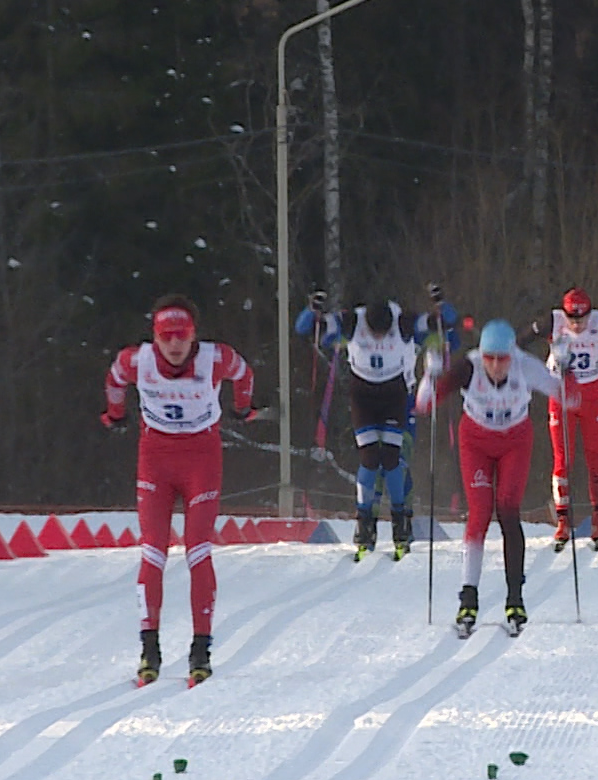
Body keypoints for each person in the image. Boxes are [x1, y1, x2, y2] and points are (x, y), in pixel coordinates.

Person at [101, 295, 259, 688]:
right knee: (152, 551)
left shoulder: (215, 359)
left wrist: (243, 407)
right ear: (154, 337)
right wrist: (115, 414)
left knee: (197, 550)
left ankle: (200, 649)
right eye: (166, 337)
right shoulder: (135, 361)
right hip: (155, 458)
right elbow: (114, 382)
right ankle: (149, 648)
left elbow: (245, 375)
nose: (174, 345)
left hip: (201, 459)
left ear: (194, 337)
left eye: (182, 336)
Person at [416, 318, 572, 638]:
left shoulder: (524, 367)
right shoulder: (468, 369)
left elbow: (569, 398)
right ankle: (468, 599)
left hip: (515, 441)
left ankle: (515, 599)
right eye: (491, 358)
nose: (497, 366)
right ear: (482, 354)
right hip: (476, 443)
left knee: (508, 510)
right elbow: (424, 404)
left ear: (512, 355)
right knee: (480, 514)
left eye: (503, 359)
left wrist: (562, 367)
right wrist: (429, 376)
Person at [295, 283, 456, 559]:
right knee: (369, 460)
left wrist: (440, 307)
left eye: (384, 333)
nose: (379, 337)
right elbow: (306, 329)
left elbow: (445, 325)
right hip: (364, 396)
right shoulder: (352, 320)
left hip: (394, 394)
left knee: (392, 460)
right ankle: (364, 523)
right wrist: (313, 311)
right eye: (374, 333)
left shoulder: (403, 322)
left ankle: (400, 522)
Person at [521, 287, 598, 550]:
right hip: (561, 394)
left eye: (582, 319)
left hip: (591, 394)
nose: (577, 325)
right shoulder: (551, 322)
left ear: (590, 313)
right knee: (562, 458)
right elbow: (520, 342)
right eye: (572, 319)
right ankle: (563, 521)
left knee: (595, 457)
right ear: (564, 313)